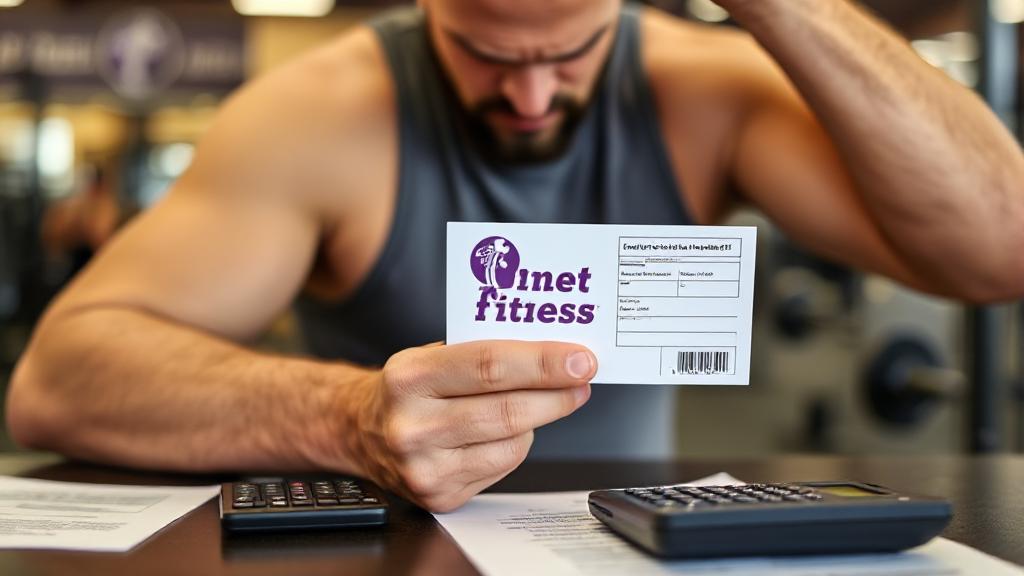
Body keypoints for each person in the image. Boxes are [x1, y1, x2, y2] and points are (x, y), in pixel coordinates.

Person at [8, 0, 1024, 513]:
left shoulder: (704, 83)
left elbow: (1001, 247)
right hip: (385, 558)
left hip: (637, 546)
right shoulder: (317, 112)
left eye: (567, 53)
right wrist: (344, 416)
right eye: (488, 54)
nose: (531, 99)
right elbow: (59, 380)